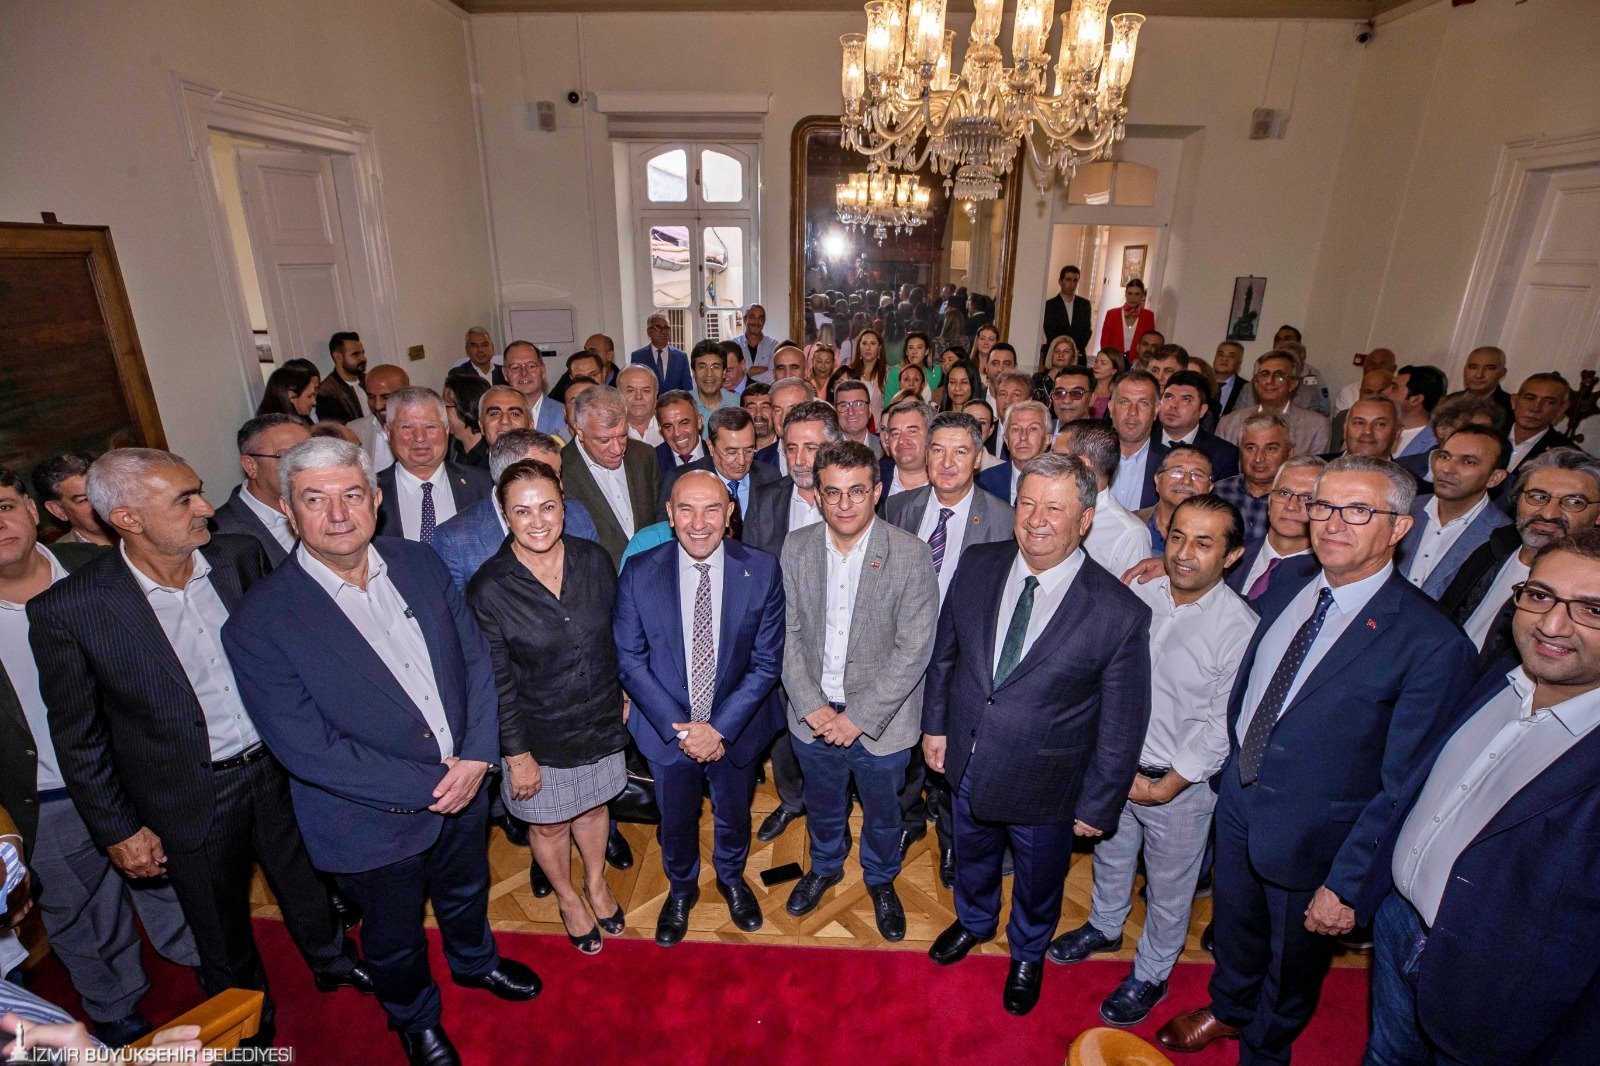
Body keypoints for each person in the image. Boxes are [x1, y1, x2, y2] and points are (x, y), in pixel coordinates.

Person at [31, 449, 370, 1052]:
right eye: (184, 499)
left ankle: (332, 960)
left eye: (199, 491)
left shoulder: (237, 557)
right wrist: (118, 829)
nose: (207, 508)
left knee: (305, 879)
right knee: (218, 924)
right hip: (187, 793)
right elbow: (79, 736)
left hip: (279, 765)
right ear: (128, 518)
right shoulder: (72, 609)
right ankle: (247, 1023)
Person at [222, 437, 538, 1066]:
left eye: (350, 494)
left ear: (375, 499)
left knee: (467, 890)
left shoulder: (419, 562)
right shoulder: (259, 622)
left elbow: (476, 659)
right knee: (393, 939)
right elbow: (308, 750)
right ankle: (414, 1019)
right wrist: (439, 784)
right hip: (369, 818)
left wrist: (479, 756)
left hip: (467, 781)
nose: (338, 514)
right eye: (316, 499)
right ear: (287, 509)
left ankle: (475, 962)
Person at [1156, 455, 1477, 1063]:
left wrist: (1348, 883)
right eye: (1323, 505)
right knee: (1235, 928)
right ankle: (1229, 1007)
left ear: (1400, 527)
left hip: (1316, 839)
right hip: (1240, 798)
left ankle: (1265, 1047)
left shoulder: (1432, 643)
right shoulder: (1289, 580)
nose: (1333, 522)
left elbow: (1405, 786)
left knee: (1291, 963)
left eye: (1358, 510)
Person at [924, 452, 1151, 1016]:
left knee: (1038, 880)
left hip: (1049, 783)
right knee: (971, 853)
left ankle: (1027, 952)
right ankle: (975, 920)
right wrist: (935, 727)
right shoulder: (978, 563)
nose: (1036, 519)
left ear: (1086, 519)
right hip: (968, 757)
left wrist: (1098, 802)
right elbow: (946, 655)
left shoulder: (1118, 611)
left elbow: (1122, 722)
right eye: (1027, 503)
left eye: (1055, 508)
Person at [1363, 527, 1600, 1065]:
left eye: (1592, 610)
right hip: (1399, 926)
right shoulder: (1501, 675)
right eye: (1540, 595)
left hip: (1494, 999)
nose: (1552, 624)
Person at [0, 470, 198, 1048]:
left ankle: (206, 961)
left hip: (136, 771)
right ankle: (115, 1008)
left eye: (4, 507)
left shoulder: (101, 567)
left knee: (173, 883)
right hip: (43, 794)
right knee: (81, 912)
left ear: (34, 510)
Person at [1052, 494, 1256, 1026]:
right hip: (1115, 764)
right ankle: (1105, 925)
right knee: (1111, 855)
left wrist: (1169, 785)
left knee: (1169, 888)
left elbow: (1221, 725)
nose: (1184, 553)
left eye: (1204, 543)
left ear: (1232, 556)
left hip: (1179, 787)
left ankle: (1153, 971)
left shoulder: (1241, 629)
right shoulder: (1139, 589)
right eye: (1178, 537)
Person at [614, 473, 785, 946]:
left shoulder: (762, 569)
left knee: (734, 813)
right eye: (686, 509)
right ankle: (681, 888)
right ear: (670, 515)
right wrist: (685, 731)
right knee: (675, 819)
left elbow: (767, 662)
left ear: (729, 514)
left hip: (737, 729)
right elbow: (630, 660)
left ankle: (731, 878)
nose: (698, 522)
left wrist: (719, 729)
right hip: (666, 730)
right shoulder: (640, 570)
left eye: (711, 509)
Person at [466, 460, 628, 956]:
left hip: (599, 717)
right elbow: (495, 682)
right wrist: (516, 755)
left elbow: (617, 635)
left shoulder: (594, 560)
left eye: (548, 507)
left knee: (595, 807)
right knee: (550, 824)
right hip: (538, 735)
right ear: (505, 515)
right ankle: (567, 898)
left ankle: (595, 883)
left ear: (563, 506)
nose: (537, 521)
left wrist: (624, 692)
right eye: (522, 511)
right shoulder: (489, 588)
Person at [779, 442, 937, 940]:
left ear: (877, 491)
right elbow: (784, 634)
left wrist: (858, 718)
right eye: (833, 493)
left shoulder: (910, 554)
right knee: (823, 804)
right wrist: (811, 706)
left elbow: (914, 649)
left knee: (884, 813)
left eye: (856, 491)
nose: (845, 504)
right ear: (817, 495)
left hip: (882, 723)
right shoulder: (795, 548)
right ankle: (825, 866)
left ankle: (881, 878)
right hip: (813, 716)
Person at [883, 412, 1014, 885]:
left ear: (978, 458)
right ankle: (907, 821)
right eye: (937, 450)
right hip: (903, 653)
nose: (947, 462)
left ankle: (953, 838)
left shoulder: (1004, 519)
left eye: (960, 451)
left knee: (953, 754)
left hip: (964, 660)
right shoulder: (898, 508)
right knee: (903, 749)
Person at [1439, 448, 1600, 665]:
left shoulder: (1588, 592)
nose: (1549, 513)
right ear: (1517, 499)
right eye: (1538, 497)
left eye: (1573, 502)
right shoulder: (1492, 549)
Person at [433, 429, 599, 593]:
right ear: (507, 476)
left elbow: (598, 590)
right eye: (546, 474)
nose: (560, 485)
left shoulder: (577, 516)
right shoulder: (454, 540)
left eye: (558, 473)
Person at [1396, 426, 1512, 598]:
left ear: (1494, 478)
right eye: (1445, 456)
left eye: (1468, 462)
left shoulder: (1503, 537)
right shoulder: (1404, 508)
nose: (1447, 468)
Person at [374, 388, 493, 545]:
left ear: (446, 430)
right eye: (407, 427)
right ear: (388, 433)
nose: (420, 437)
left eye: (430, 426)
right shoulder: (371, 491)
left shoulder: (484, 485)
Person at [561, 385, 662, 568]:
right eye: (604, 440)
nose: (617, 449)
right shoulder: (560, 471)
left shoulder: (644, 455)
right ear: (579, 431)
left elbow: (659, 520)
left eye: (623, 435)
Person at [1053, 419, 1155, 578]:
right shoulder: (1046, 510)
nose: (1049, 465)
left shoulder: (1130, 534)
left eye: (1057, 458)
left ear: (1082, 465)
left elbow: (1131, 593)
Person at [659, 407, 781, 537]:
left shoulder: (770, 477)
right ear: (711, 447)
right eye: (731, 452)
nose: (741, 461)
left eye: (749, 450)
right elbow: (664, 535)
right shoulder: (681, 479)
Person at [210, 414, 312, 568]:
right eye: (286, 456)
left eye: (309, 454)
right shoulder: (218, 533)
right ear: (251, 466)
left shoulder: (330, 508)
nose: (305, 465)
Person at [1227, 456, 1325, 602]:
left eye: (1308, 498)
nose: (1291, 506)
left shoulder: (1326, 575)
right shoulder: (1230, 554)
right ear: (1269, 500)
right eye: (1284, 493)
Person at [1217, 351, 1331, 457]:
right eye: (1264, 374)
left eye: (1279, 375)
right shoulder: (1229, 423)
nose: (1269, 381)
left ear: (1293, 384)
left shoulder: (1316, 427)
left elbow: (1315, 470)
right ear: (1256, 383)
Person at [1214, 413, 1294, 542]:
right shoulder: (1219, 492)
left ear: (1290, 453)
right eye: (1250, 448)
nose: (1258, 458)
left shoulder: (1299, 500)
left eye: (1271, 449)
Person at [1157, 370, 1239, 481]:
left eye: (1185, 399)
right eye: (1168, 397)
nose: (1173, 405)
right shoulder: (1143, 440)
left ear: (1202, 410)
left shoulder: (1223, 454)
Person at [1107, 370, 1167, 512]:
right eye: (1124, 402)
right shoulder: (1086, 458)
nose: (1133, 412)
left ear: (1156, 410)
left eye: (1143, 403)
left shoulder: (1169, 463)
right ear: (1111, 407)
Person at [1138, 445, 1214, 555]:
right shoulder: (1128, 522)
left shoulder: (1217, 536)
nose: (1186, 481)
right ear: (1157, 480)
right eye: (1177, 472)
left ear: (1209, 488)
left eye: (1197, 475)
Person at [977, 400, 1051, 506]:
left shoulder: (1059, 484)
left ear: (1047, 439)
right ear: (1006, 440)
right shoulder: (983, 483)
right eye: (1016, 429)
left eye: (1033, 429)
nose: (1023, 437)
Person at [1504, 372, 1575, 480]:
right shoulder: (1488, 431)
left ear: (1561, 408)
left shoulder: (1565, 455)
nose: (1535, 408)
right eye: (1529, 398)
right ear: (1514, 401)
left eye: (1548, 402)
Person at [31, 454, 114, 546]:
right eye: (85, 499)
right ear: (58, 511)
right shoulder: (62, 554)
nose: (102, 502)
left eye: (105, 491)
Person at [502, 341, 568, 439]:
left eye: (531, 366)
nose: (524, 373)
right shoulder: (499, 419)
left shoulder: (564, 415)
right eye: (515, 367)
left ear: (543, 370)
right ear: (505, 373)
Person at [1385, 365, 1447, 459]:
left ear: (1416, 400)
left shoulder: (1436, 443)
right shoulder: (1376, 426)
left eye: (1394, 388)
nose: (1385, 392)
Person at [359, 363, 410, 471]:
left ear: (406, 394)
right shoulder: (354, 431)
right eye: (371, 397)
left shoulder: (427, 430)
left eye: (386, 397)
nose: (377, 405)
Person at [761, 377, 814, 475]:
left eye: (792, 409)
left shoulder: (828, 456)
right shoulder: (759, 460)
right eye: (777, 410)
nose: (784, 418)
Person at [631, 312, 693, 393]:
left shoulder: (681, 357)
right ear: (648, 331)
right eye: (658, 327)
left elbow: (687, 390)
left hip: (675, 401)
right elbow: (634, 386)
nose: (663, 332)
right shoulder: (638, 357)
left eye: (666, 327)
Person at [315, 331, 368, 424]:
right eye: (355, 354)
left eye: (362, 353)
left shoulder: (370, 381)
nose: (363, 358)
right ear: (338, 357)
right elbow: (337, 429)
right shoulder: (326, 392)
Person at [1043, 264, 1094, 357]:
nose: (1072, 284)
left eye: (1075, 280)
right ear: (1060, 281)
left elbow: (1087, 330)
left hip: (1078, 353)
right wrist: (1065, 349)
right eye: (1068, 280)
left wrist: (1075, 349)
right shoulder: (1049, 305)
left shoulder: (1084, 304)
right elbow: (1050, 331)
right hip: (1056, 354)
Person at [442, 374, 491, 469]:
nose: (442, 412)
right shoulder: (446, 447)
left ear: (467, 409)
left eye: (446, 406)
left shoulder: (494, 454)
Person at [654, 390, 707, 477]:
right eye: (668, 426)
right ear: (661, 430)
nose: (677, 433)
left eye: (684, 423)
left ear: (699, 422)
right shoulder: (653, 461)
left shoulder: (717, 455)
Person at [1100, 279, 1156, 358]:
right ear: (1125, 294)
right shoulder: (1112, 314)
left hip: (1137, 359)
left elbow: (1150, 341)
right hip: (1115, 358)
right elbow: (1105, 341)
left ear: (1142, 295)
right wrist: (1108, 358)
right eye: (1130, 293)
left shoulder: (1148, 315)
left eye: (1137, 294)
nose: (1133, 297)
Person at [1333, 347, 1397, 414]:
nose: (1376, 368)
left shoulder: (1398, 393)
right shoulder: (1347, 392)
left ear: (1394, 368)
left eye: (1383, 364)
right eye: (1372, 364)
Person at [1457, 344, 1512, 420]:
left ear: (1503, 373)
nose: (1479, 375)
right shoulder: (1448, 401)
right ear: (1465, 369)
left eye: (1489, 368)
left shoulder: (1512, 408)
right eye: (1474, 367)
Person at [689, 341, 738, 422]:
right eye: (702, 367)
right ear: (694, 372)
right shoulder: (683, 406)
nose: (709, 374)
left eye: (715, 367)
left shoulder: (738, 404)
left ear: (724, 372)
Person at [619, 363, 663, 447]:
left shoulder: (669, 427)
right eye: (631, 391)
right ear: (618, 393)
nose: (638, 397)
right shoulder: (608, 430)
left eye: (645, 391)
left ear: (656, 394)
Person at [835, 379, 881, 457]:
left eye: (858, 404)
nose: (851, 412)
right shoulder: (825, 448)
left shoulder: (884, 448)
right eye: (844, 405)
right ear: (835, 411)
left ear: (869, 409)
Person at [734, 303, 777, 382]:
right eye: (752, 317)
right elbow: (731, 376)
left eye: (760, 318)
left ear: (764, 321)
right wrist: (750, 373)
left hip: (765, 390)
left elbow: (773, 376)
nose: (756, 322)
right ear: (745, 319)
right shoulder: (734, 345)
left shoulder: (773, 345)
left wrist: (745, 375)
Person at [1049, 365, 1096, 430]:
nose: (1066, 400)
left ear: (1091, 399)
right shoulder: (1042, 431)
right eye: (1060, 393)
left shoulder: (1103, 435)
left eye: (1076, 393)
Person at [741, 381, 777, 461]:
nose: (758, 414)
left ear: (775, 410)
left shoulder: (786, 449)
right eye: (751, 408)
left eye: (765, 407)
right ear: (742, 412)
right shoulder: (734, 451)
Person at [1211, 342, 1247, 420]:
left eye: (1231, 356)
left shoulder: (1246, 388)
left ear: (1239, 364)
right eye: (1221, 354)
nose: (1224, 359)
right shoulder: (1201, 382)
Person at [1091, 348, 1126, 419]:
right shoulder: (1087, 386)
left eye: (1103, 363)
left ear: (1114, 370)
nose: (1096, 366)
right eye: (1096, 362)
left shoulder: (1118, 393)